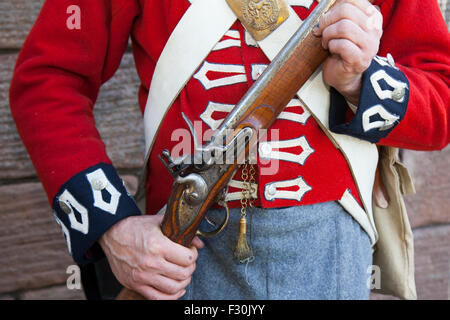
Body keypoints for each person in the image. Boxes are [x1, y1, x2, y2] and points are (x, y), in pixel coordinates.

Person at [9, 0, 449, 300]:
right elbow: (47, 80)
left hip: (331, 251)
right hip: (178, 252)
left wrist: (359, 82)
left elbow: (440, 97)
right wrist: (112, 227)